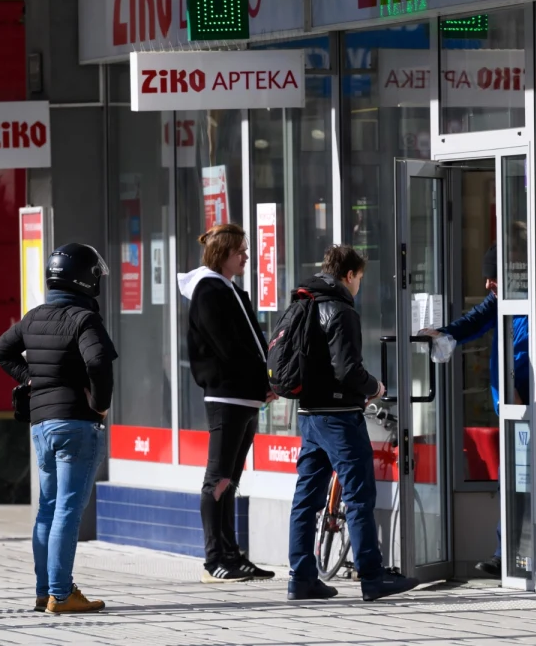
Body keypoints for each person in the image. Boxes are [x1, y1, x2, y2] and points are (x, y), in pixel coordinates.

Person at [287, 245, 420, 602]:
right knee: (359, 496)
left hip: (309, 414)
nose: (360, 284)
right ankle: (372, 577)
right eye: (360, 277)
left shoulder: (305, 301)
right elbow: (347, 369)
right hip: (340, 416)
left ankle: (301, 578)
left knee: (306, 498)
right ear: (349, 275)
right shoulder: (340, 309)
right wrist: (375, 386)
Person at [0, 243, 116, 615]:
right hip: (77, 424)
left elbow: (1, 351)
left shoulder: (33, 317)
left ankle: (44, 590)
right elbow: (98, 360)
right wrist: (101, 402)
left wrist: (33, 379)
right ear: (85, 279)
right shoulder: (84, 318)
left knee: (47, 508)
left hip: (41, 425)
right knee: (67, 509)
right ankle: (61, 595)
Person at [420, 240, 529, 579]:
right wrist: (446, 334)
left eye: (492, 276)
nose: (487, 284)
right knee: (515, 478)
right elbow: (475, 319)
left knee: (519, 479)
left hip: (528, 405)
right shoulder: (501, 301)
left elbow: (526, 355)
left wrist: (517, 392)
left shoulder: (530, 302)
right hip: (511, 406)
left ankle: (508, 554)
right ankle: (507, 554)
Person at [178, 223, 276, 584]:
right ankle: (214, 559)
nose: (246, 257)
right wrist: (258, 381)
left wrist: (266, 382)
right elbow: (227, 348)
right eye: (241, 251)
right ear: (223, 254)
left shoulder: (230, 289)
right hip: (227, 395)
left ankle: (232, 555)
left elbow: (250, 343)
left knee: (230, 479)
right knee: (218, 478)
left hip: (244, 395)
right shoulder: (209, 290)